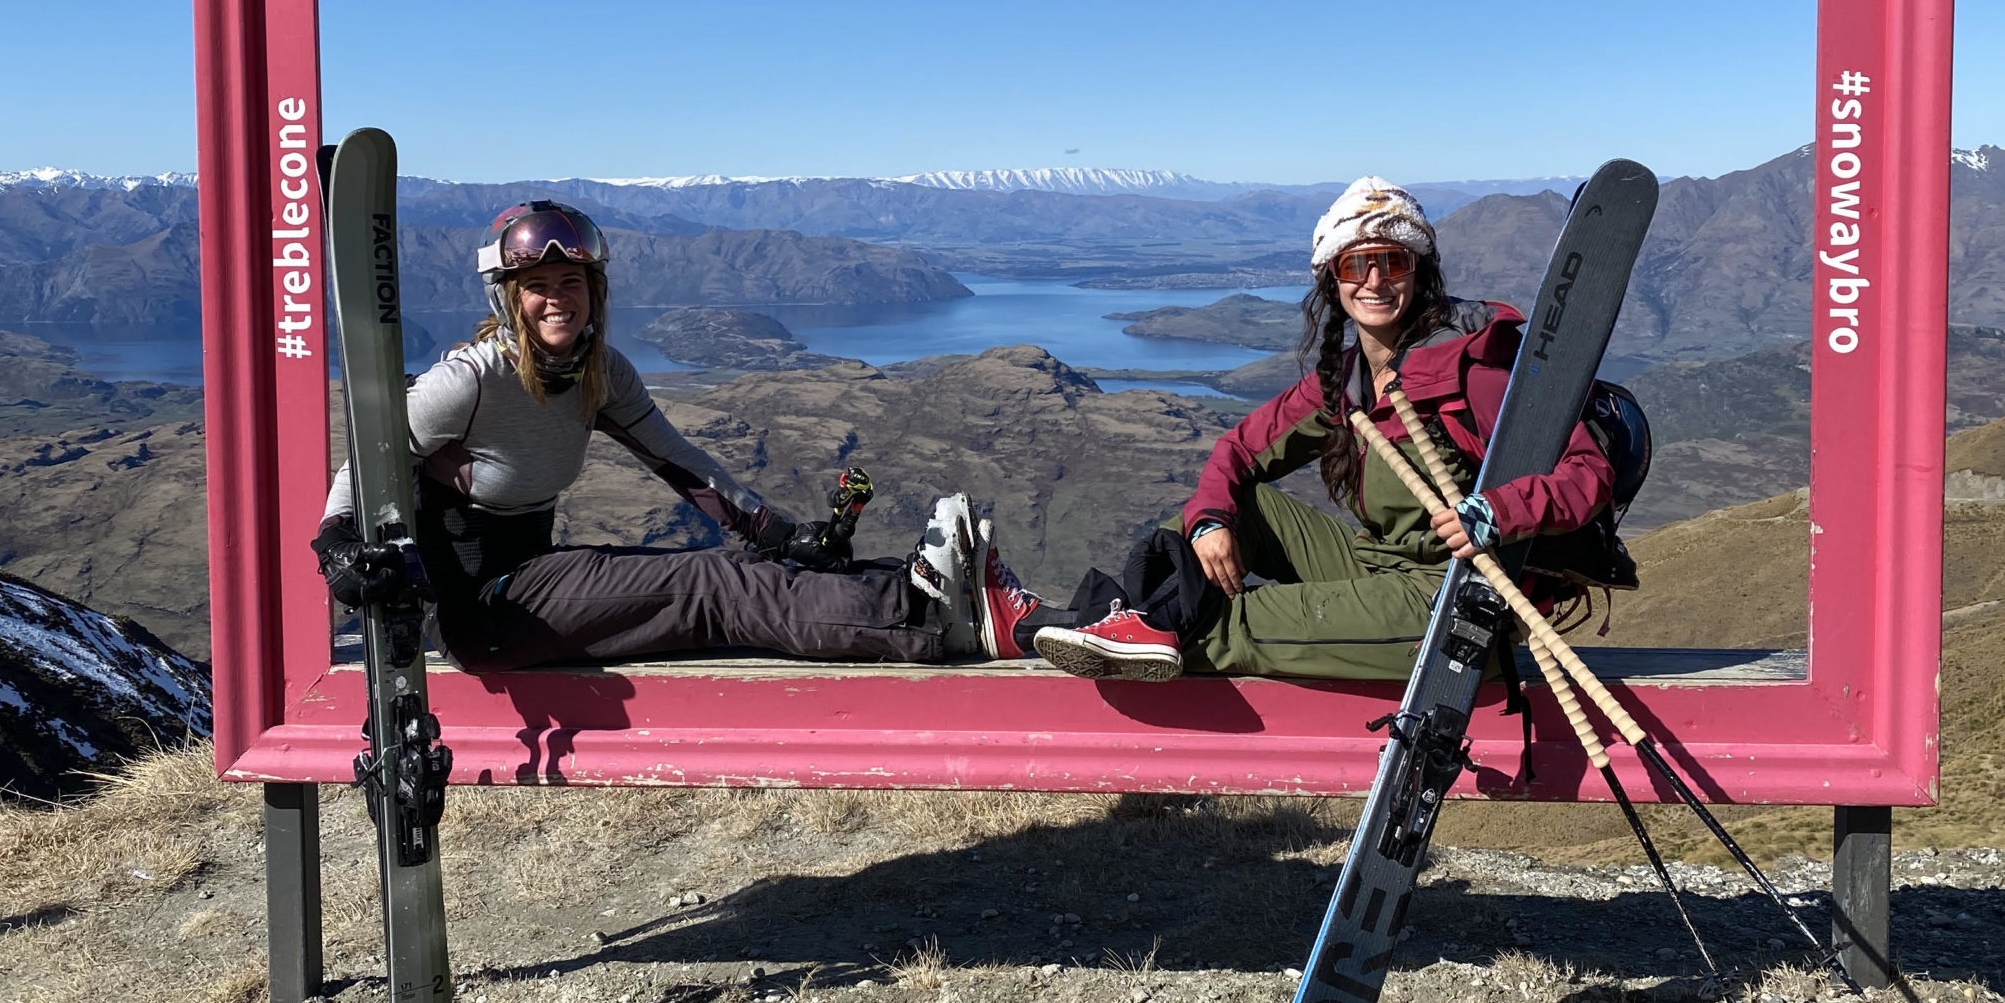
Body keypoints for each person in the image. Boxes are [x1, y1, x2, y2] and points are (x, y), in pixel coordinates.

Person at [312, 200, 1034, 669]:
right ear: (509, 297)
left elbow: (680, 462)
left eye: (573, 283)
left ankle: (922, 585)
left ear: (595, 292)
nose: (557, 299)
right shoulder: (471, 380)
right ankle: (928, 621)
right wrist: (337, 541)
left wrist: (781, 533)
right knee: (711, 586)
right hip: (477, 611)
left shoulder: (599, 374)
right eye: (539, 286)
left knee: (747, 566)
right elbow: (373, 459)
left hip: (529, 577)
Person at [1012, 176, 1616, 683]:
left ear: (1418, 271)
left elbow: (1588, 474)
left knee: (1230, 621)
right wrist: (1213, 521)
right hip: (1381, 566)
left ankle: (1147, 638)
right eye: (1356, 263)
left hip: (1455, 595)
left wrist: (1497, 511)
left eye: (1392, 262)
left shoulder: (1472, 368)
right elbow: (1242, 448)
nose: (1374, 281)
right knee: (1212, 520)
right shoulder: (1348, 381)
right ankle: (1136, 619)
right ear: (1333, 277)